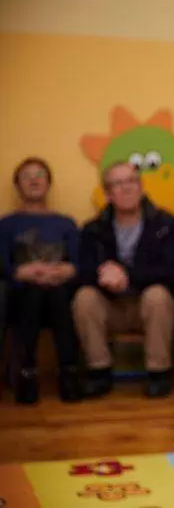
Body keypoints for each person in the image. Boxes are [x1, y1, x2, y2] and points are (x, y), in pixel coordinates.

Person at [73, 162, 174, 398]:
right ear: (107, 193)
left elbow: (172, 272)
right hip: (110, 306)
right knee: (84, 297)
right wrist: (105, 275)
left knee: (158, 295)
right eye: (117, 184)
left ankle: (158, 374)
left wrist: (127, 275)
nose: (126, 188)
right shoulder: (93, 229)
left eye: (131, 181)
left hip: (148, 307)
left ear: (141, 186)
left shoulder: (165, 223)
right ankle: (99, 372)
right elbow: (83, 271)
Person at [0, 158, 81, 404]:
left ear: (48, 183)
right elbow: (3, 265)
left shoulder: (66, 223)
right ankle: (26, 373)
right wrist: (20, 272)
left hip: (60, 293)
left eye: (39, 175)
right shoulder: (6, 224)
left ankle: (68, 372)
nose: (34, 180)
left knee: (56, 293)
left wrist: (66, 270)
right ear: (17, 185)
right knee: (33, 292)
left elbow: (79, 263)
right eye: (27, 176)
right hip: (22, 296)